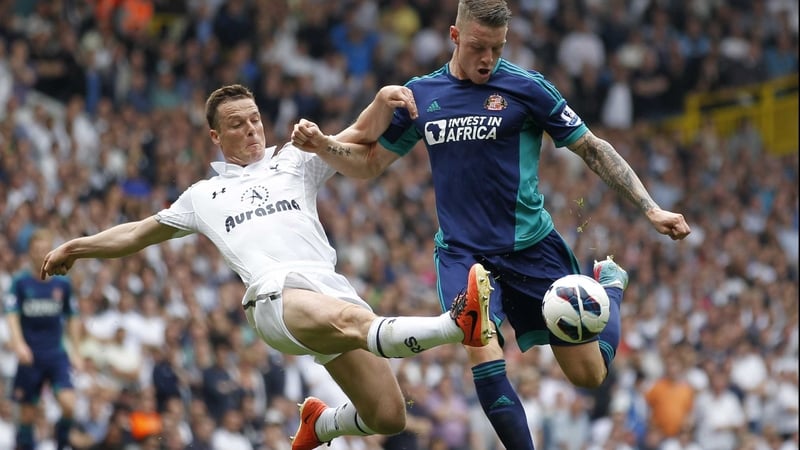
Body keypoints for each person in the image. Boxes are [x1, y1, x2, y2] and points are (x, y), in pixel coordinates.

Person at [289, 1, 692, 448]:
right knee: (483, 349)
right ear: (455, 36)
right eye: (478, 47)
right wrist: (325, 146)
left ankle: (609, 286)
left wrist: (650, 206)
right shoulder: (421, 95)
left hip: (532, 247)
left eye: (497, 48)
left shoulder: (527, 88)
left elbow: (592, 148)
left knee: (589, 376)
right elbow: (369, 164)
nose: (488, 59)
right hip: (464, 254)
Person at [39, 83, 494, 450]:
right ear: (216, 137)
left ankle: (322, 424)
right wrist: (75, 248)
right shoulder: (203, 196)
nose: (251, 130)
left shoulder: (295, 159)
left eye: (255, 119)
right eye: (237, 125)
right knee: (358, 322)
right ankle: (457, 323)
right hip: (272, 298)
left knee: (389, 416)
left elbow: (359, 134)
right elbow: (136, 233)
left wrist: (379, 101)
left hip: (326, 289)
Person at [4, 229, 83, 450]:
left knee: (69, 405)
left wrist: (76, 351)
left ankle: (62, 443)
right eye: (36, 249)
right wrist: (19, 344)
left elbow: (73, 317)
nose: (40, 253)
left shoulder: (62, 284)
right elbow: (11, 314)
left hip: (55, 354)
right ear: (29, 252)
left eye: (44, 249)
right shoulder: (20, 282)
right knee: (27, 415)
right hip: (31, 355)